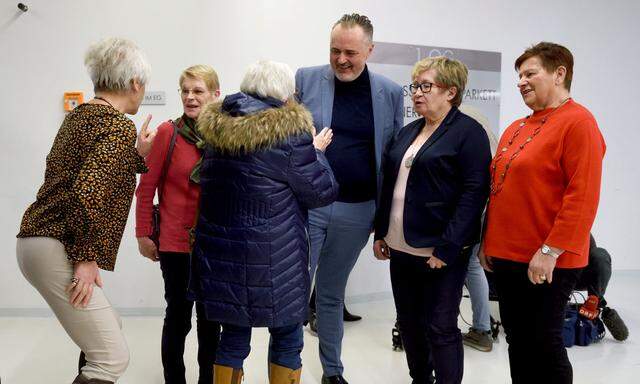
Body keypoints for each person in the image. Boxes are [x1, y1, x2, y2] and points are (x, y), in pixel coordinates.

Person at [16, 37, 155, 384]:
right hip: (58, 244)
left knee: (111, 328)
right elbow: (86, 193)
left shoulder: (83, 116)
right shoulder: (117, 124)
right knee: (110, 358)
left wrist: (137, 156)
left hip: (38, 239)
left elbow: (88, 174)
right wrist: (85, 256)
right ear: (135, 84)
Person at [190, 60, 338, 384]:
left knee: (232, 337)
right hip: (276, 259)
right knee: (287, 338)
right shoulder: (290, 135)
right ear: (285, 95)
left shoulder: (217, 129)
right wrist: (317, 152)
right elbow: (321, 192)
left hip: (224, 258)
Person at [480, 42, 606, 384]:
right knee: (517, 340)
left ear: (559, 73)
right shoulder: (517, 128)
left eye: (529, 73)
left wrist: (550, 251)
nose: (521, 81)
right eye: (518, 75)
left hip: (546, 259)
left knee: (545, 344)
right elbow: (499, 190)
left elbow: (583, 197)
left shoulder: (579, 123)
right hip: (507, 256)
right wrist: (487, 241)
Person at [295, 13, 403, 384]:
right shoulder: (306, 79)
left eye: (351, 52)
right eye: (335, 50)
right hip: (308, 207)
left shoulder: (389, 92)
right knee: (295, 291)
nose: (341, 59)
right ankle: (288, 368)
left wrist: (383, 222)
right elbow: (286, 139)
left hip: (358, 211)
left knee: (330, 294)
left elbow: (393, 158)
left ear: (369, 50)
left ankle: (332, 372)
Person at [374, 56, 491, 384]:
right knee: (409, 323)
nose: (417, 93)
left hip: (439, 252)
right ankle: (420, 379)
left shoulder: (469, 133)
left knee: (440, 327)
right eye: (415, 86)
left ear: (451, 92)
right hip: (400, 248)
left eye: (426, 86)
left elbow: (474, 193)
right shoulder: (410, 130)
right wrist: (381, 232)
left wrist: (449, 246)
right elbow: (390, 183)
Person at [135, 65, 221, 384]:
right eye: (185, 90)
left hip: (215, 246)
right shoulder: (167, 134)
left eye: (197, 91)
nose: (189, 97)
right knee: (178, 318)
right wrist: (144, 234)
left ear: (215, 95)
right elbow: (146, 187)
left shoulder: (226, 136)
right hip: (175, 245)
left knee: (211, 322)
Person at [458, 106, 499, 353]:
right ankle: (482, 328)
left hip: (467, 206)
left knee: (461, 266)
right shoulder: (479, 116)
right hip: (484, 203)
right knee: (471, 265)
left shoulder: (458, 121)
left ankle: (478, 329)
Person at [576, 235, 628, 341]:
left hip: (578, 274)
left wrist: (596, 297)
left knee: (600, 255)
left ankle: (594, 301)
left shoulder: (581, 230)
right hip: (551, 275)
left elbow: (595, 261)